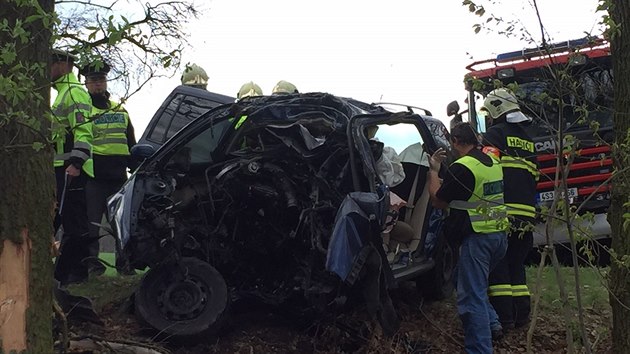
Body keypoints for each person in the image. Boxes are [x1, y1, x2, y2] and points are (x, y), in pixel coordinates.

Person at [428, 122, 509, 353]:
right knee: (463, 280)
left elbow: (437, 200)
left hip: (478, 239)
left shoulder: (462, 167)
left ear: (454, 141)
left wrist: (433, 170)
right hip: (498, 237)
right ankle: (492, 323)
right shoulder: (491, 161)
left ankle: (480, 349)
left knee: (470, 298)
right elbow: (471, 191)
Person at [481, 88, 538, 330]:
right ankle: (522, 317)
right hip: (527, 211)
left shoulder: (494, 135)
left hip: (501, 210)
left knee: (500, 266)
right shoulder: (528, 138)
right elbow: (533, 176)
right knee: (517, 264)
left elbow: (486, 168)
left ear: (495, 110)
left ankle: (504, 318)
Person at [79, 60, 137, 276]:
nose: (98, 85)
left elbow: (131, 142)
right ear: (86, 84)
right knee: (92, 224)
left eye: (101, 80)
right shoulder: (84, 111)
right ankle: (93, 266)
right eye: (93, 81)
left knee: (121, 225)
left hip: (118, 177)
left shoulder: (120, 110)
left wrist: (136, 166)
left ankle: (124, 264)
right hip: (93, 177)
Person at [50, 49, 94, 286]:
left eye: (50, 64)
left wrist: (76, 162)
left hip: (70, 170)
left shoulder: (74, 93)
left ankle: (63, 277)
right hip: (62, 167)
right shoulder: (62, 93)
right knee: (61, 222)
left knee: (74, 226)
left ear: (62, 65)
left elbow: (83, 131)